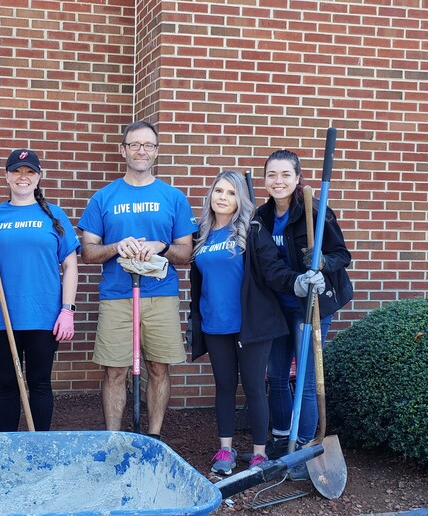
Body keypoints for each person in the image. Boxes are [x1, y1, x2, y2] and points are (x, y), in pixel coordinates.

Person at [189, 171, 325, 475]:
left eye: (231, 193)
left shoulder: (252, 230)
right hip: (215, 324)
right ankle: (225, 449)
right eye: (218, 191)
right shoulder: (201, 233)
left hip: (251, 325)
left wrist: (298, 282)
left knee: (253, 387)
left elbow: (272, 268)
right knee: (224, 387)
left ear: (241, 199)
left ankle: (260, 454)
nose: (223, 197)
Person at [78, 120, 197, 438]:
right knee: (114, 371)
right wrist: (117, 246)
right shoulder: (103, 198)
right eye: (134, 144)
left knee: (159, 368)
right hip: (117, 295)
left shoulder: (173, 197)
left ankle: (154, 437)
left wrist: (162, 246)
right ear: (123, 150)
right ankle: (114, 440)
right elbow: (87, 252)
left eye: (148, 145)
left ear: (156, 151)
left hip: (160, 294)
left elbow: (186, 253)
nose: (141, 150)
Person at [254, 149, 353, 480]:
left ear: (298, 179)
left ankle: (307, 449)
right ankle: (283, 441)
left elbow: (343, 255)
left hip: (312, 306)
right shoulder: (262, 218)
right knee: (277, 376)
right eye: (271, 175)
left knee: (307, 383)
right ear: (264, 179)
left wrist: (323, 262)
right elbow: (266, 266)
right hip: (279, 305)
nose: (278, 181)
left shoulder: (314, 210)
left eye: (285, 175)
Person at [0, 149, 80, 431]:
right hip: (3, 316)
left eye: (29, 172)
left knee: (40, 383)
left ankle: (38, 449)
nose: (23, 177)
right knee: (7, 385)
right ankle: (8, 449)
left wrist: (67, 311)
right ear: (7, 176)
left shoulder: (54, 215)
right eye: (17, 171)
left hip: (43, 315)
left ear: (39, 177)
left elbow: (71, 265)